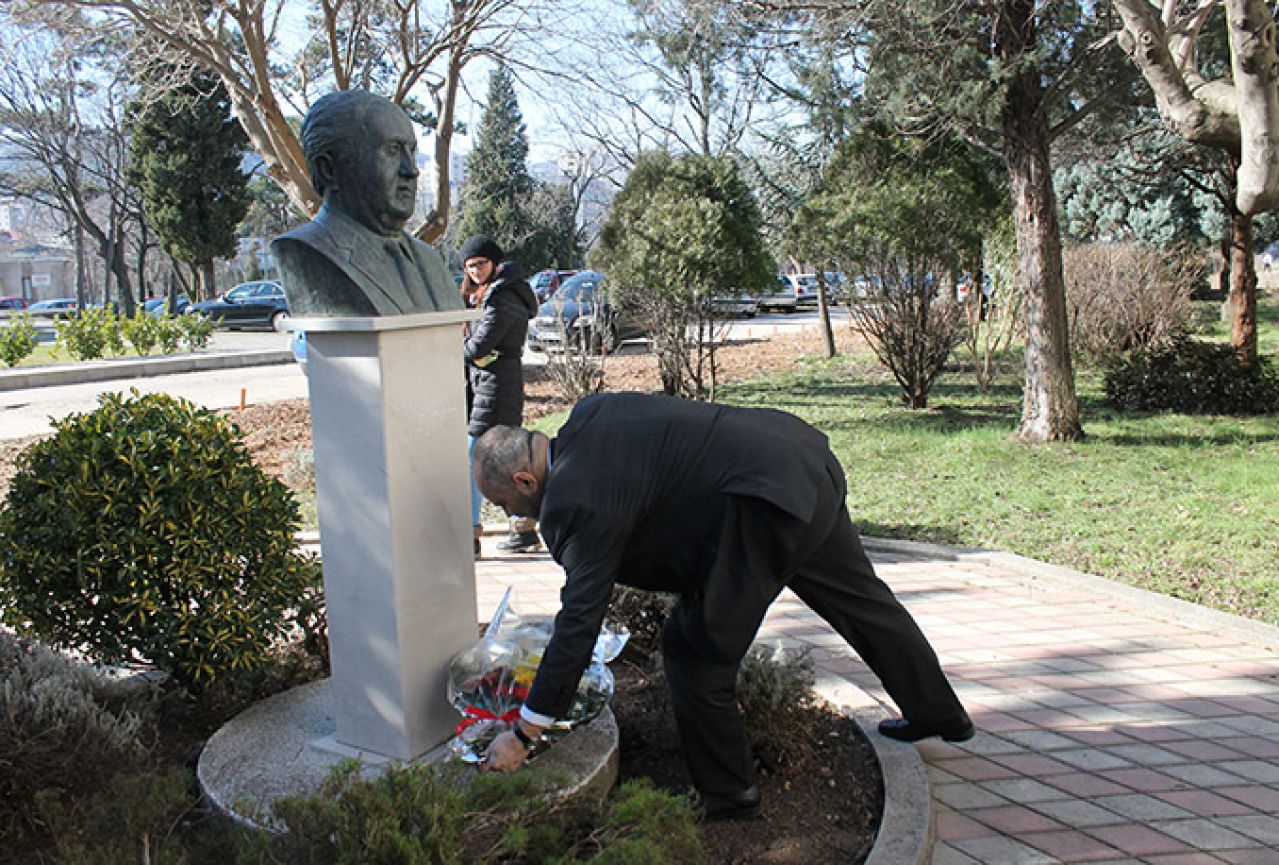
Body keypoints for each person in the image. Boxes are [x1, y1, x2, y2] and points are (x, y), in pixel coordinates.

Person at [473, 393, 973, 821]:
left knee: (696, 654)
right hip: (800, 460)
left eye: (502, 505)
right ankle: (939, 714)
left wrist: (524, 732)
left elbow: (580, 622)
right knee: (866, 605)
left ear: (525, 481)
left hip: (764, 510)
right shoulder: (592, 413)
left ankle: (729, 795)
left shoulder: (574, 501)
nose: (509, 515)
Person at [272, 90, 463, 317]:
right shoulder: (305, 252)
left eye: (411, 152)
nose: (411, 170)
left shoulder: (430, 260)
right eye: (392, 151)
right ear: (329, 169)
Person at [459, 235, 538, 557]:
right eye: (470, 266)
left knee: (474, 455)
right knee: (506, 458)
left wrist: (462, 350)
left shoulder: (502, 296)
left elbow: (479, 347)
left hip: (495, 386)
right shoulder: (489, 294)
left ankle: (471, 535)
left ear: (494, 262)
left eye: (480, 263)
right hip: (488, 383)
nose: (476, 270)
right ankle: (523, 528)